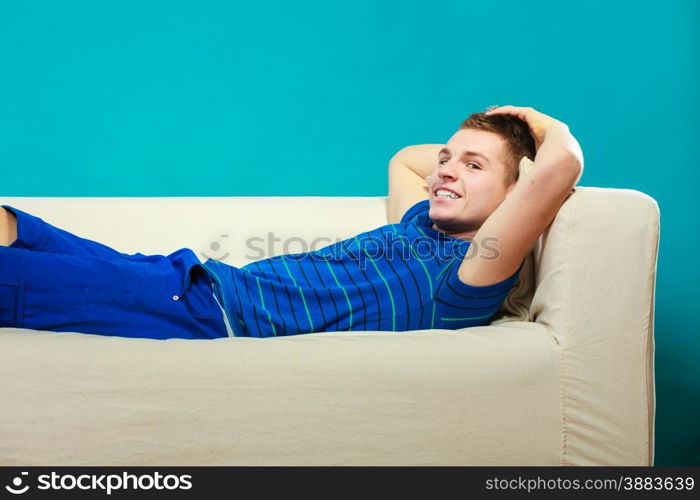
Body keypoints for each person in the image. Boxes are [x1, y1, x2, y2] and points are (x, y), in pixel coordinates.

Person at [0, 105, 583, 340]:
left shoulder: (464, 280)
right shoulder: (418, 226)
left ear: (516, 196)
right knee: (14, 227)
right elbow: (406, 157)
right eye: (447, 160)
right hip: (188, 277)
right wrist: (477, 155)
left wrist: (525, 123)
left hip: (203, 314)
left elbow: (562, 164)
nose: (444, 172)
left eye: (473, 166)